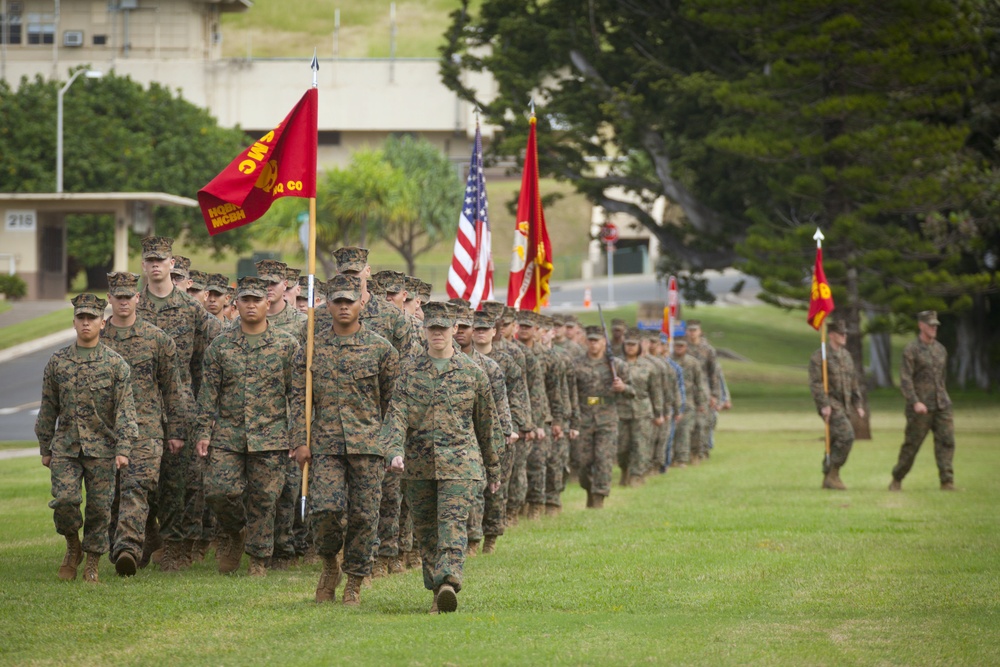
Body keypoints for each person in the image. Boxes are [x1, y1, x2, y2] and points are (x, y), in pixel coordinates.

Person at [379, 301, 503, 614]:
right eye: (432, 328)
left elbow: (487, 425)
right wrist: (393, 451)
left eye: (443, 329)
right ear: (424, 330)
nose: (438, 334)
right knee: (426, 531)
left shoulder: (472, 374)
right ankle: (437, 590)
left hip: (460, 464)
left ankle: (449, 580)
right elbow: (396, 415)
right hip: (419, 467)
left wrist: (494, 469)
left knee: (452, 525)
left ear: (454, 331)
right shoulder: (409, 373)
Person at [290, 274, 399, 605]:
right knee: (324, 509)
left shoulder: (382, 350)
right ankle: (328, 565)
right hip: (325, 445)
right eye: (337, 301)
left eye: (349, 301)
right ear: (328, 304)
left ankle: (354, 580)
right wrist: (299, 440)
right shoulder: (311, 348)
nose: (342, 307)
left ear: (361, 304)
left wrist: (390, 445)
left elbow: (394, 404)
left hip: (368, 446)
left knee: (365, 517)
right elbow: (298, 398)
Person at [195, 276, 299, 577]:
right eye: (245, 300)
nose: (251, 305)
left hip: (271, 435)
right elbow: (208, 395)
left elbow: (297, 395)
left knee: (265, 498)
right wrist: (203, 432)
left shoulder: (286, 345)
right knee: (218, 491)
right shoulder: (221, 346)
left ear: (268, 303)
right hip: (228, 434)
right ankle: (236, 532)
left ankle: (258, 559)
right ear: (235, 303)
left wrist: (297, 436)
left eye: (257, 300)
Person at [35, 294, 138, 583]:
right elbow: (48, 407)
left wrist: (123, 448)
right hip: (66, 446)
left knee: (99, 508)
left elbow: (126, 411)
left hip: (102, 449)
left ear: (102, 323)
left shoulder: (116, 365)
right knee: (65, 500)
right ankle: (72, 546)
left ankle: (92, 561)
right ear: (74, 322)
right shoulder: (58, 363)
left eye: (91, 318)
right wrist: (45, 446)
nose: (86, 323)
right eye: (81, 318)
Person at [136, 236, 220, 571]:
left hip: (180, 405)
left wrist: (201, 409)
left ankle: (174, 546)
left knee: (175, 480)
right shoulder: (132, 306)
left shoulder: (190, 310)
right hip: (139, 405)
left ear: (173, 265)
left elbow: (204, 360)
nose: (155, 265)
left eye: (161, 260)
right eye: (150, 260)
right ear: (143, 265)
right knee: (139, 480)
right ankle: (145, 534)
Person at [101, 272, 189, 576]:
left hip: (146, 429)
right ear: (110, 299)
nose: (124, 302)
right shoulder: (98, 338)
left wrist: (176, 431)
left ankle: (128, 549)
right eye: (118, 297)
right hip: (105, 432)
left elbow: (172, 389)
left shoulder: (157, 339)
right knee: (111, 495)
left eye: (129, 296)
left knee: (136, 487)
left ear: (138, 298)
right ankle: (137, 538)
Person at [889, 310, 957, 491]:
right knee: (912, 445)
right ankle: (897, 478)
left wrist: (944, 397)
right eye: (930, 325)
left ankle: (947, 481)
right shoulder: (911, 350)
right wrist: (915, 401)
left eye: (936, 325)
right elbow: (905, 380)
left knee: (947, 441)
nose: (934, 328)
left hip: (942, 404)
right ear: (921, 325)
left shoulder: (941, 350)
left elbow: (942, 378)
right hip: (921, 407)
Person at [574, 325, 634, 508]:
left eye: (597, 341)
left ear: (604, 342)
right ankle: (588, 488)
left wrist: (622, 387)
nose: (593, 344)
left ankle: (599, 496)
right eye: (590, 340)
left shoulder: (616, 365)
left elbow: (633, 391)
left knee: (604, 458)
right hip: (584, 416)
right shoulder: (576, 364)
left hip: (606, 417)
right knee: (583, 462)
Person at [808, 319, 864, 490]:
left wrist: (858, 403)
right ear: (831, 335)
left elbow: (853, 381)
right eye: (841, 333)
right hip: (831, 404)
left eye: (845, 333)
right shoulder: (820, 357)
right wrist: (824, 404)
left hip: (845, 403)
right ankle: (834, 474)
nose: (844, 336)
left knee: (834, 441)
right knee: (847, 436)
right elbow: (816, 383)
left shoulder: (846, 356)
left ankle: (827, 477)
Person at [617, 328, 664, 486]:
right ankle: (625, 470)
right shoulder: (615, 364)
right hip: (620, 412)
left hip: (642, 411)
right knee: (622, 447)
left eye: (633, 344)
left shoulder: (649, 366)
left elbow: (656, 391)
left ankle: (637, 476)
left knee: (640, 446)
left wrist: (659, 414)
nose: (630, 347)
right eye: (628, 344)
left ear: (639, 346)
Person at [670, 336, 707, 468]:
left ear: (686, 347)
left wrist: (701, 403)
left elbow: (699, 384)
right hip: (671, 402)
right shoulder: (668, 361)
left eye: (681, 346)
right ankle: (671, 458)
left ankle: (682, 459)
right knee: (672, 431)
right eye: (677, 345)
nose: (679, 348)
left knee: (685, 431)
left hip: (688, 402)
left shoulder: (693, 363)